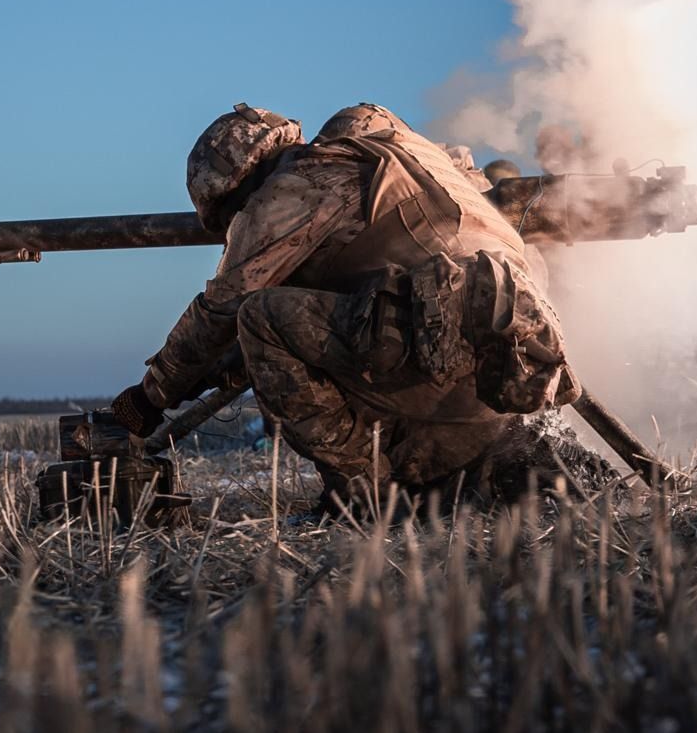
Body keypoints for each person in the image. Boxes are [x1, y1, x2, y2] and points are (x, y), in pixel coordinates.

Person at [109, 103, 580, 510]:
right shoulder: (410, 154)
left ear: (237, 187)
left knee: (259, 319)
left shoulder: (292, 188)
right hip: (524, 365)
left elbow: (219, 313)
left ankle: (367, 497)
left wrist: (148, 399)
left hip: (447, 365)